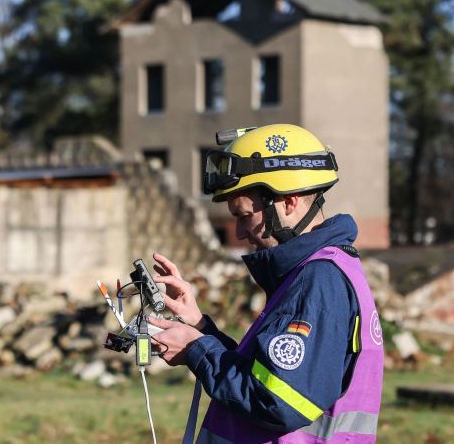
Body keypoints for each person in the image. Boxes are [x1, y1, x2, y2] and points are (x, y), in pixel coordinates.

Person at [146, 124, 384, 443]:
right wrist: (202, 329)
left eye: (245, 215)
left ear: (287, 202)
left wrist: (195, 349)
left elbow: (277, 401)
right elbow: (266, 378)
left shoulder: (318, 280)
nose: (241, 233)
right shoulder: (313, 272)